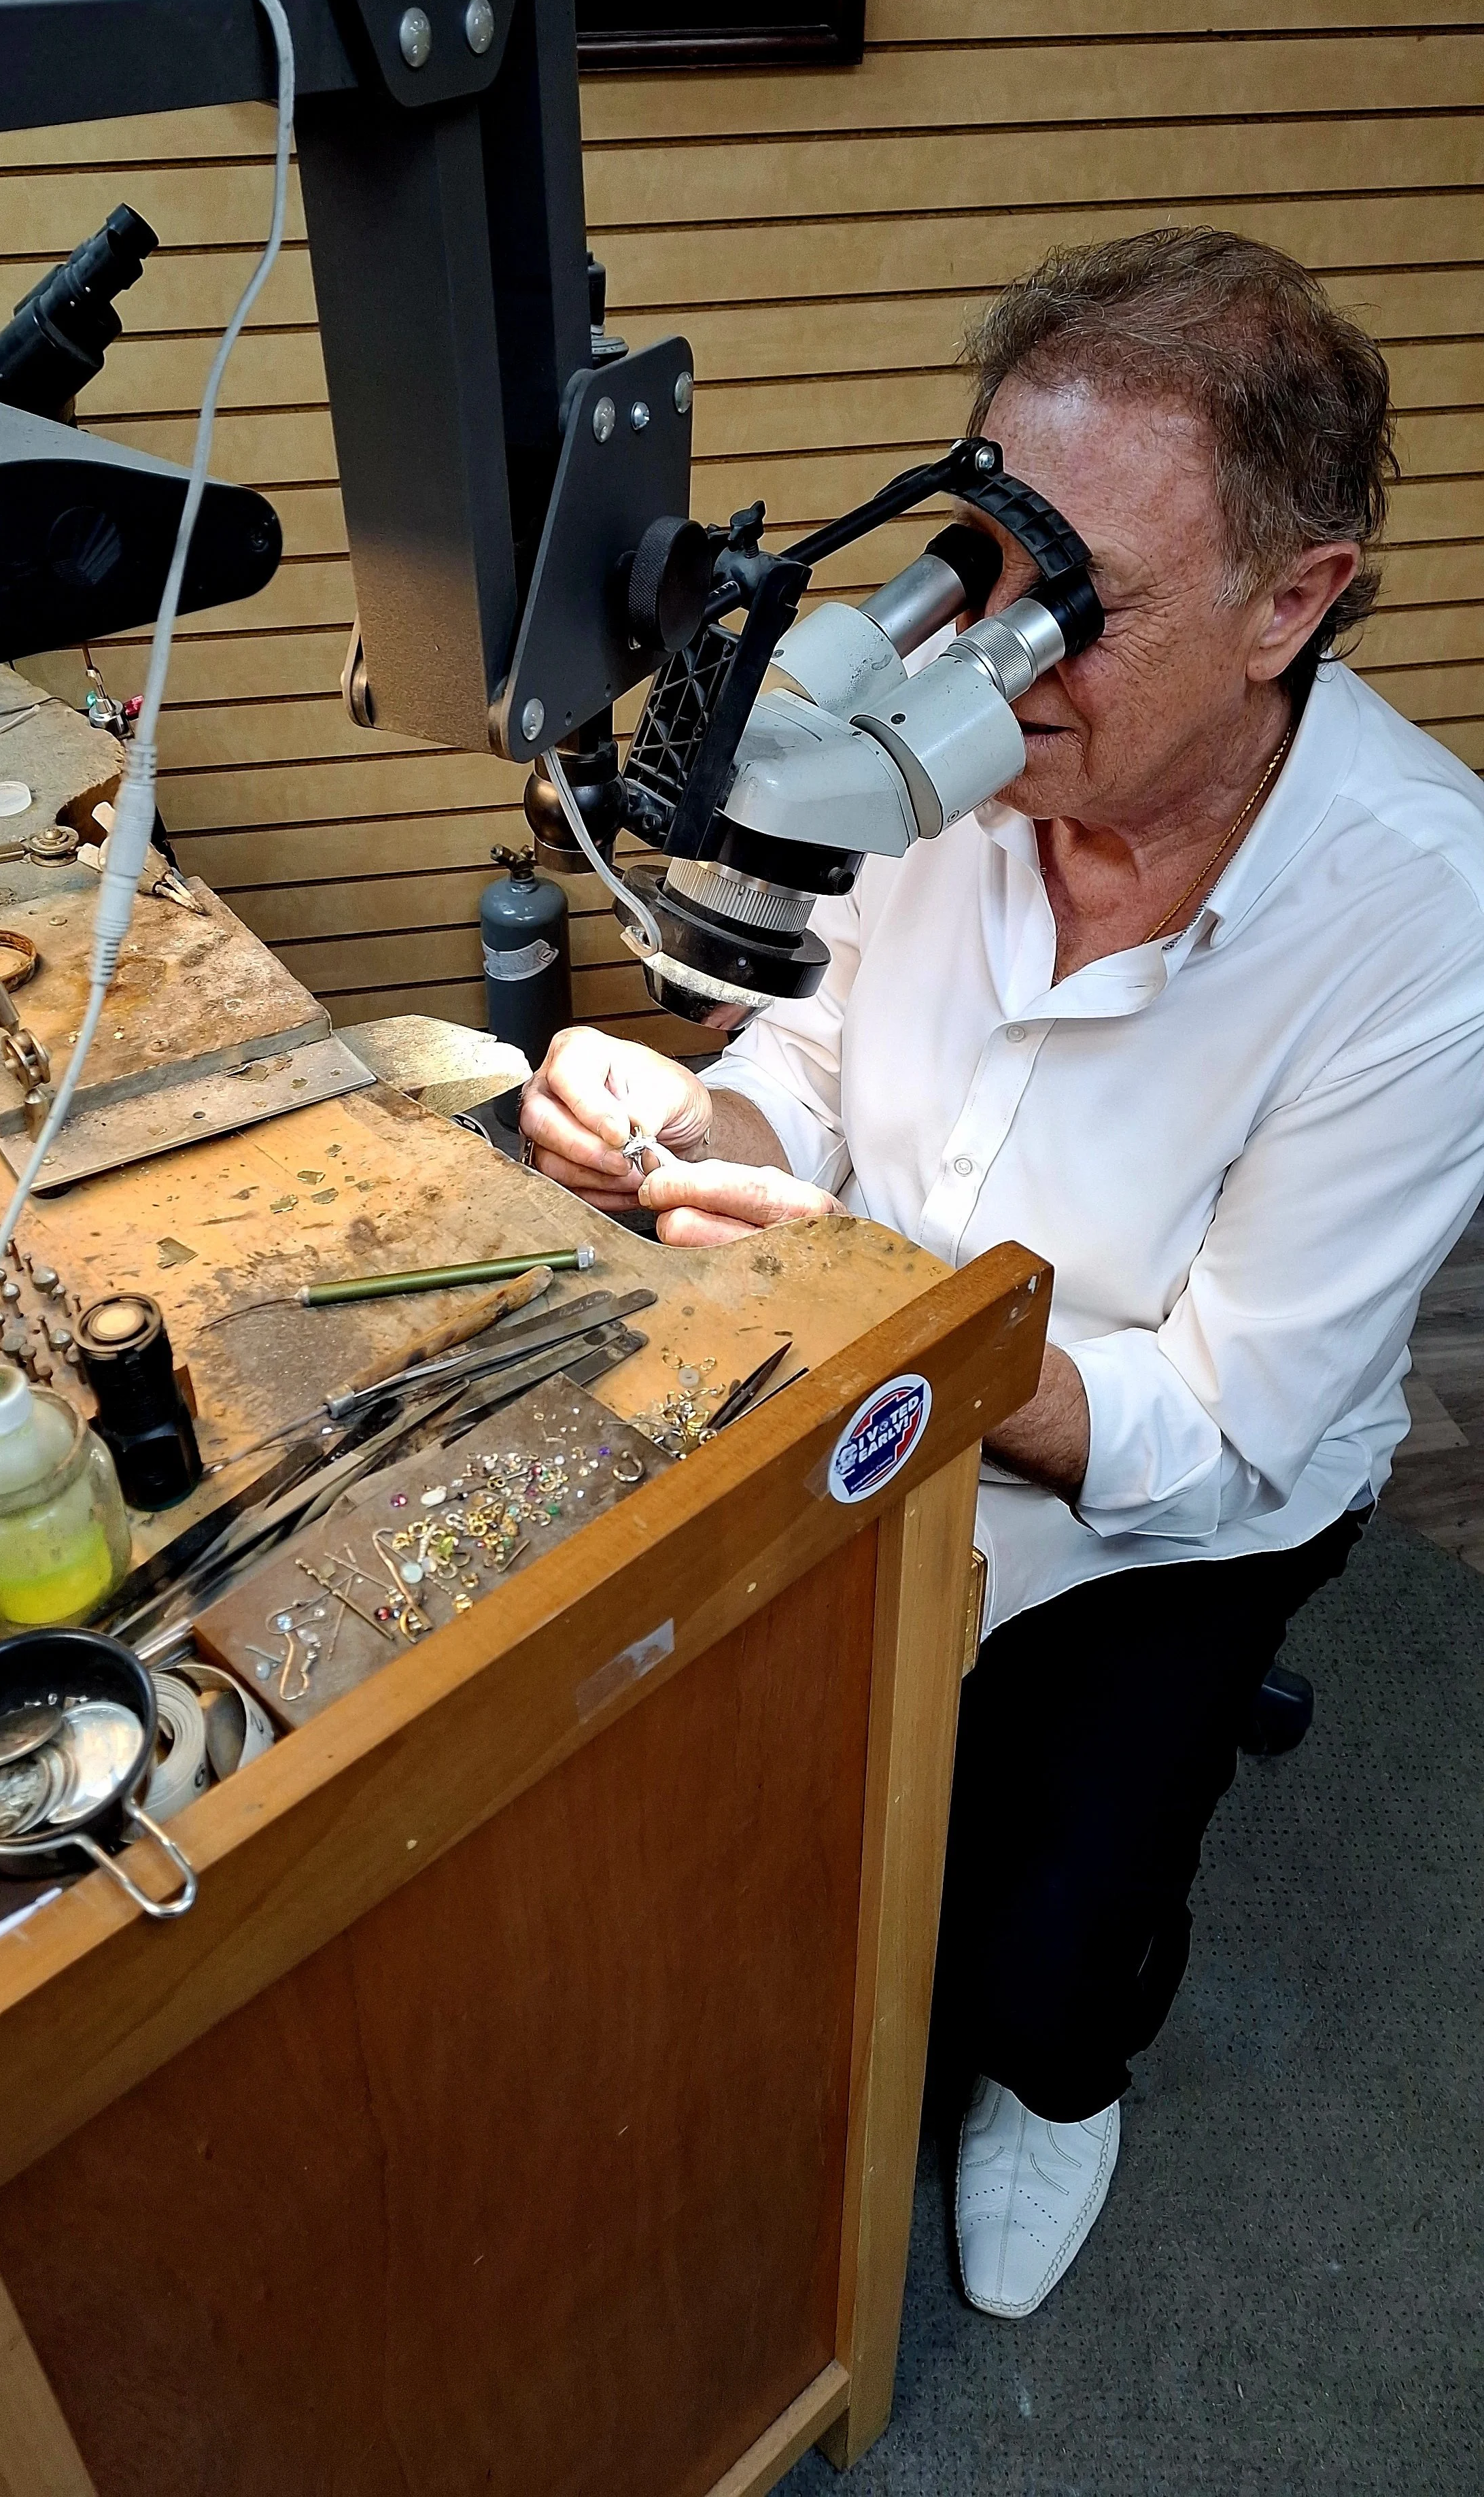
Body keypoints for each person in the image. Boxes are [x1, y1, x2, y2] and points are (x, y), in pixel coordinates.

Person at [519, 229, 1484, 2320]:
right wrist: (701, 1129)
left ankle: (1062, 2082)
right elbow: (807, 1064)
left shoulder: (1430, 924)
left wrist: (884, 1314)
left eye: (1075, 607)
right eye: (979, 568)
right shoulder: (948, 755)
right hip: (865, 1354)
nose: (991, 662)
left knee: (1049, 1936)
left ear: (1292, 601)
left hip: (1165, 1508)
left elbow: (1227, 1429)